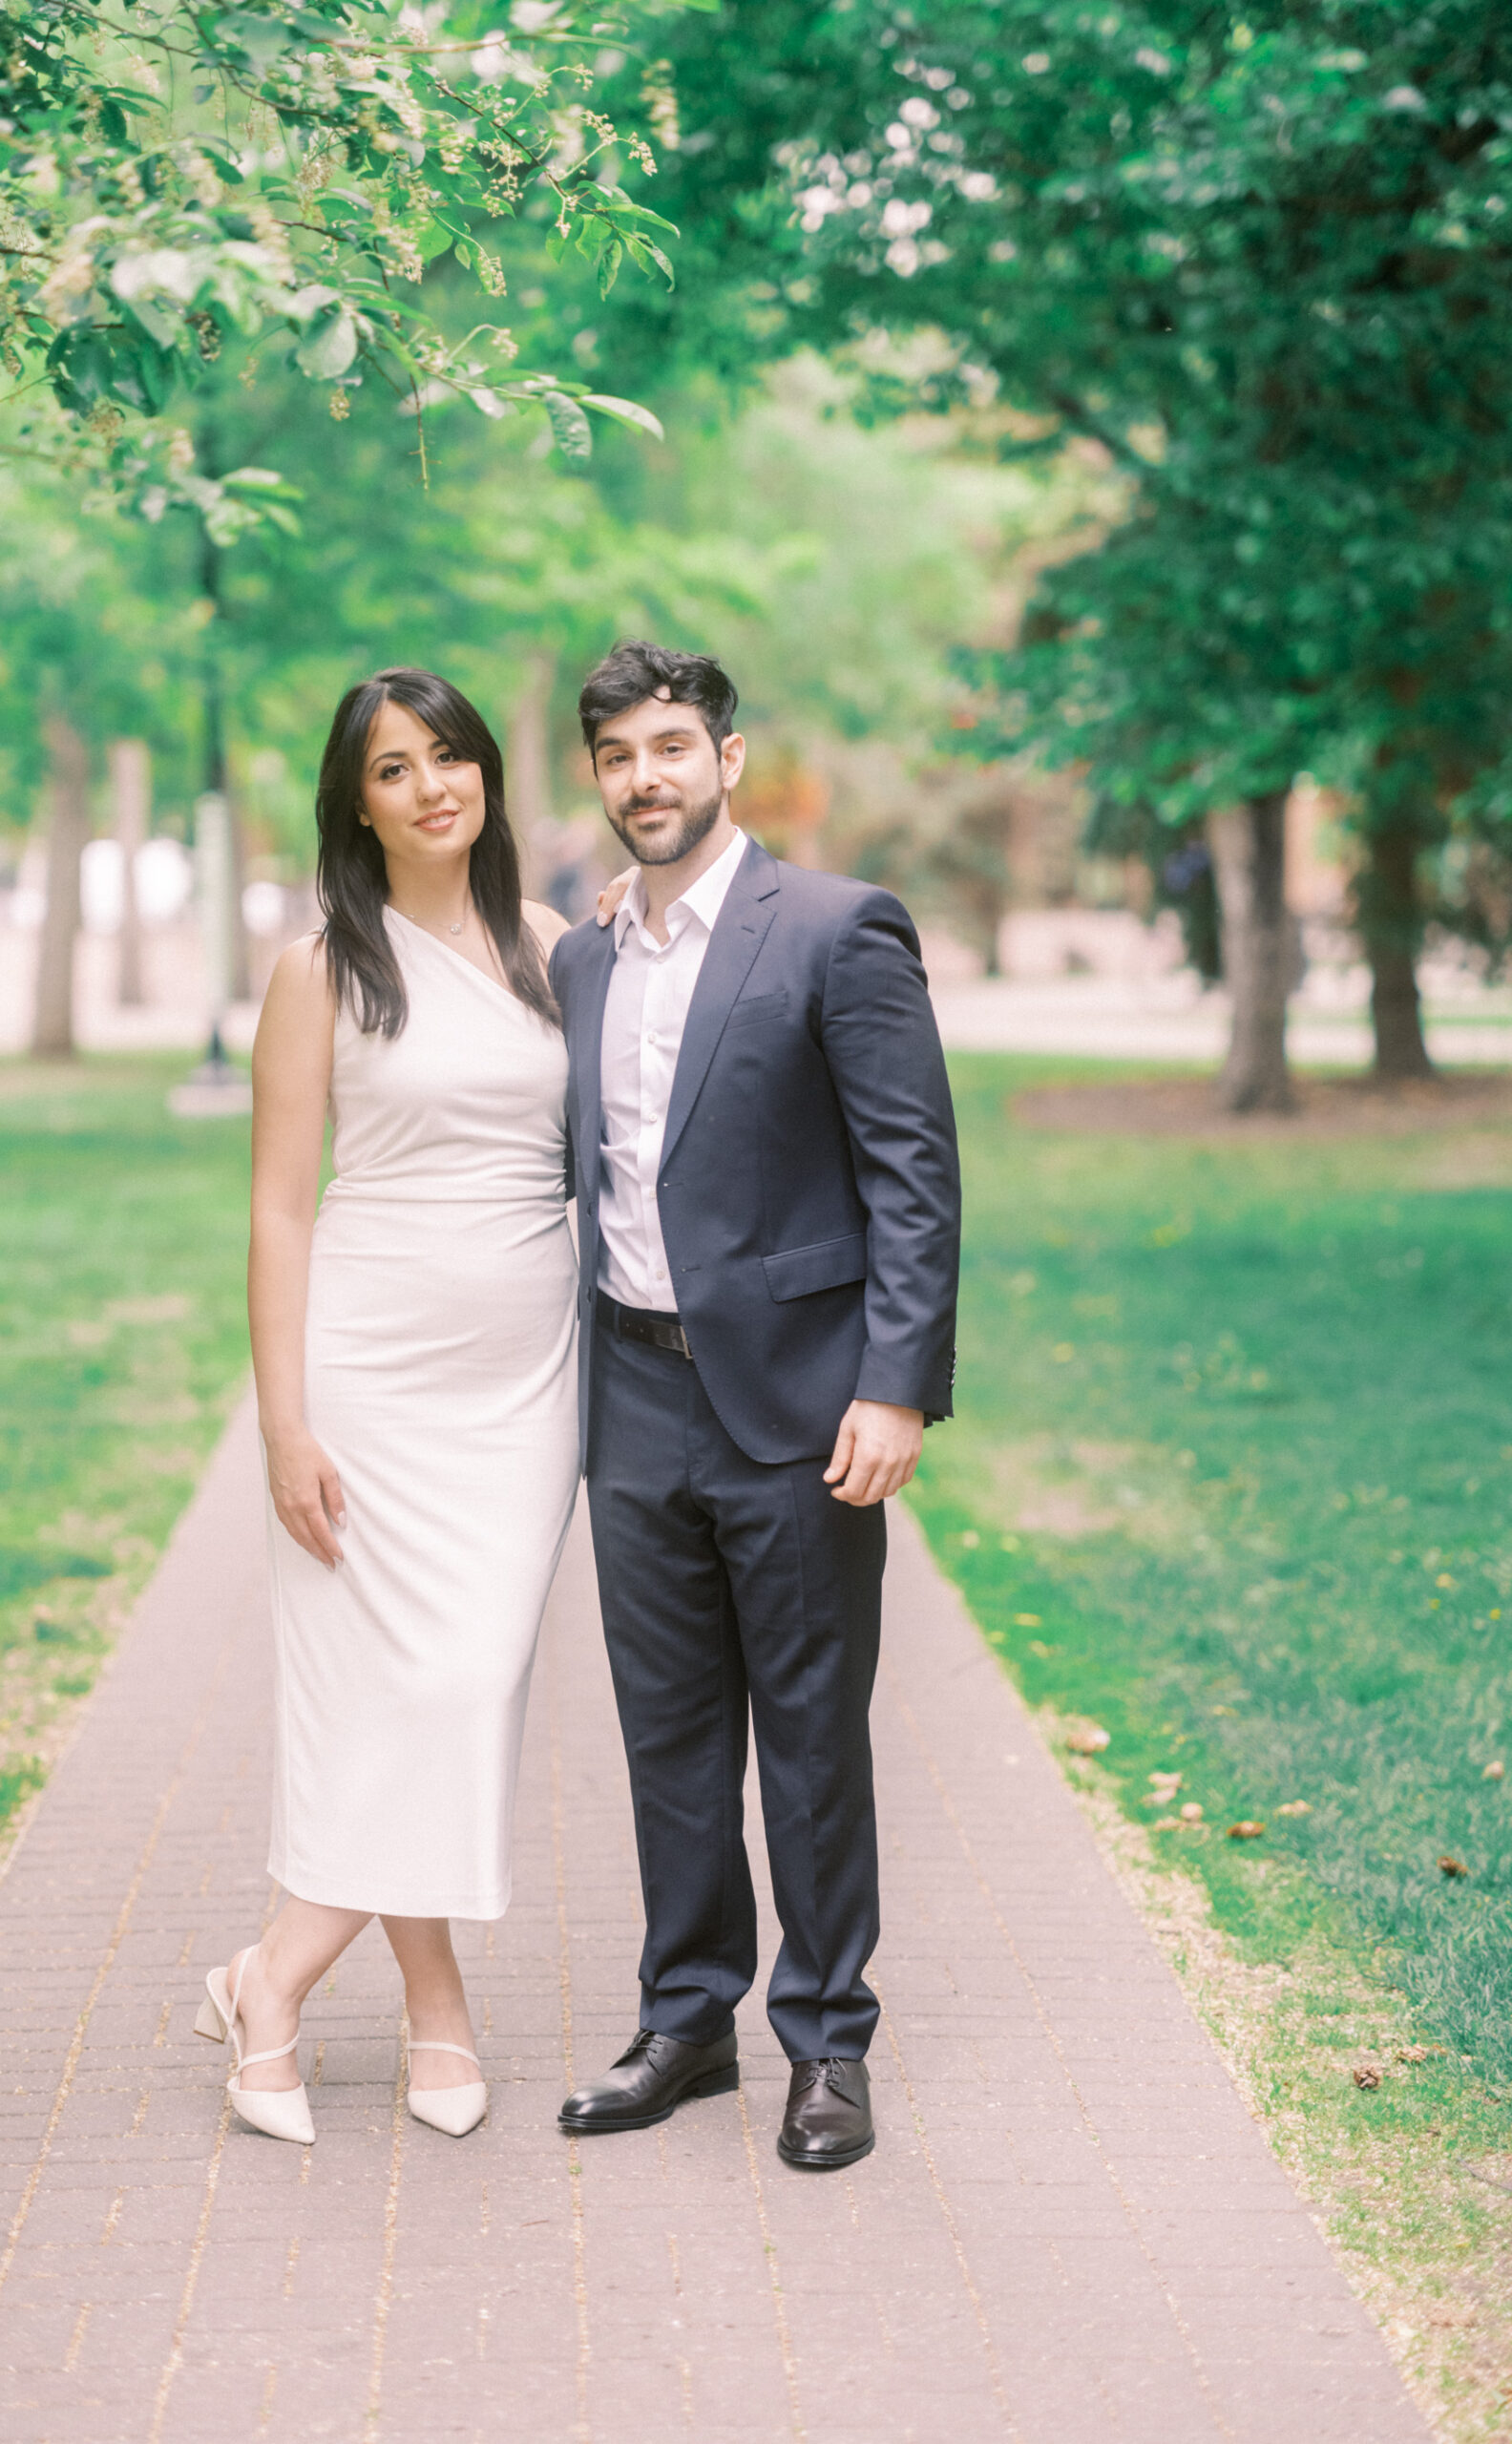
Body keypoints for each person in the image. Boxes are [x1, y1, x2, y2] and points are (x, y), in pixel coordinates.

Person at [549, 641, 961, 2172]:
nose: (644, 777)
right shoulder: (587, 958)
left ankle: (827, 2041)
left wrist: (897, 1387)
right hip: (633, 1396)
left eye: (670, 746)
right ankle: (686, 2024)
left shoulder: (837, 931)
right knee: (666, 1736)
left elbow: (914, 1172)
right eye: (616, 755)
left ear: (728, 757)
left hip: (797, 1408)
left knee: (807, 1734)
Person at [200, 668, 578, 2144]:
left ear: (485, 771)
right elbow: (280, 1211)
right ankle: (419, 2009)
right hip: (367, 1378)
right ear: (354, 802)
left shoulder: (554, 947)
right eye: (395, 767)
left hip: (523, 1388)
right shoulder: (320, 971)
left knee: (457, 1686)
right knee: (392, 1692)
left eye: (451, 756)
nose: (432, 786)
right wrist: (285, 1424)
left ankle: (266, 1971)